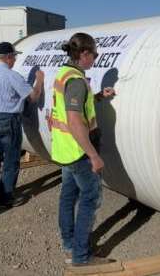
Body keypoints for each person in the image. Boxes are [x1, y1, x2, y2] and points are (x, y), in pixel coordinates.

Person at [51, 33, 118, 272]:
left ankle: (69, 245)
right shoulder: (77, 81)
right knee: (91, 198)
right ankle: (80, 256)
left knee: (68, 196)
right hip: (78, 150)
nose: (96, 59)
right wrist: (93, 155)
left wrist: (99, 96)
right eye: (95, 54)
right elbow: (75, 121)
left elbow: (74, 106)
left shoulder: (65, 74)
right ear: (84, 54)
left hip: (64, 148)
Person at [0, 42, 44, 207]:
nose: (14, 60)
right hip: (7, 119)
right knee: (11, 159)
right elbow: (33, 97)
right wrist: (39, 80)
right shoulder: (12, 76)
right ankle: (6, 196)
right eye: (14, 56)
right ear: (8, 57)